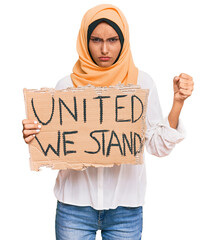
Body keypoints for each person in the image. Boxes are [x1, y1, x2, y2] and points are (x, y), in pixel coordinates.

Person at [22, 4, 194, 240]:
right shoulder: (66, 86)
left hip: (126, 209)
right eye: (96, 40)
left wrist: (177, 103)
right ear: (85, 40)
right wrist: (36, 135)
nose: (104, 49)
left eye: (113, 40)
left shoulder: (142, 84)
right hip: (74, 207)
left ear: (123, 41)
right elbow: (58, 144)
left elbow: (157, 147)